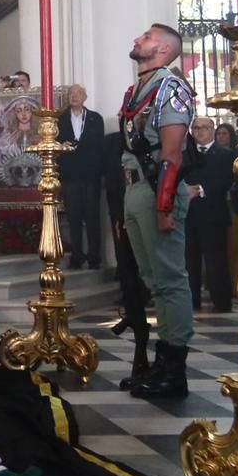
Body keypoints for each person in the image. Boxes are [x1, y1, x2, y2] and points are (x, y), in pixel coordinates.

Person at [117, 22, 196, 399]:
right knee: (152, 279)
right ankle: (160, 364)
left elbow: (172, 152)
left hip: (156, 191)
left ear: (164, 49)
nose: (137, 38)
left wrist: (164, 204)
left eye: (145, 37)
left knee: (169, 279)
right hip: (136, 191)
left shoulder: (171, 87)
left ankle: (173, 368)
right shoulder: (138, 91)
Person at [103, 129, 150, 388]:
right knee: (128, 269)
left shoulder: (155, 136)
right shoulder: (112, 141)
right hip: (122, 210)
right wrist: (118, 216)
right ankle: (135, 316)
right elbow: (111, 181)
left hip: (150, 206)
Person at [183, 115, 236, 312]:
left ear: (212, 130)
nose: (199, 131)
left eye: (203, 128)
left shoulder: (226, 155)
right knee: (190, 260)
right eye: (196, 128)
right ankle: (192, 301)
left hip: (214, 214)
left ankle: (221, 302)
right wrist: (185, 190)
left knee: (216, 260)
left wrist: (201, 189)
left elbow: (226, 180)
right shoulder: (186, 155)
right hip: (190, 215)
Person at [57, 84, 105, 269]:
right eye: (71, 94)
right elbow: (56, 145)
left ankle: (94, 256)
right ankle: (76, 255)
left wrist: (101, 174)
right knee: (73, 218)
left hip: (90, 175)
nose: (74, 96)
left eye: (77, 94)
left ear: (84, 97)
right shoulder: (60, 120)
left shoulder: (95, 118)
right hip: (69, 176)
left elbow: (100, 147)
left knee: (93, 218)